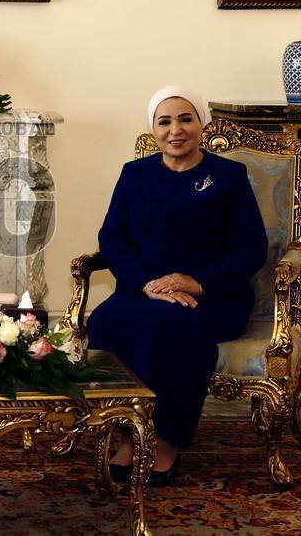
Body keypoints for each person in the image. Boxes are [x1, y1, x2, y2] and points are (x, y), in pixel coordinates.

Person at [87, 86, 267, 487]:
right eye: (164, 121)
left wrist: (197, 282)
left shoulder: (228, 176)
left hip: (213, 295)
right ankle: (126, 431)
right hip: (145, 290)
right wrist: (147, 284)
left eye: (185, 119)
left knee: (170, 325)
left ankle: (165, 439)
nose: (175, 130)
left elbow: (251, 247)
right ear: (153, 129)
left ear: (201, 124)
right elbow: (112, 237)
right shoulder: (135, 174)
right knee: (105, 320)